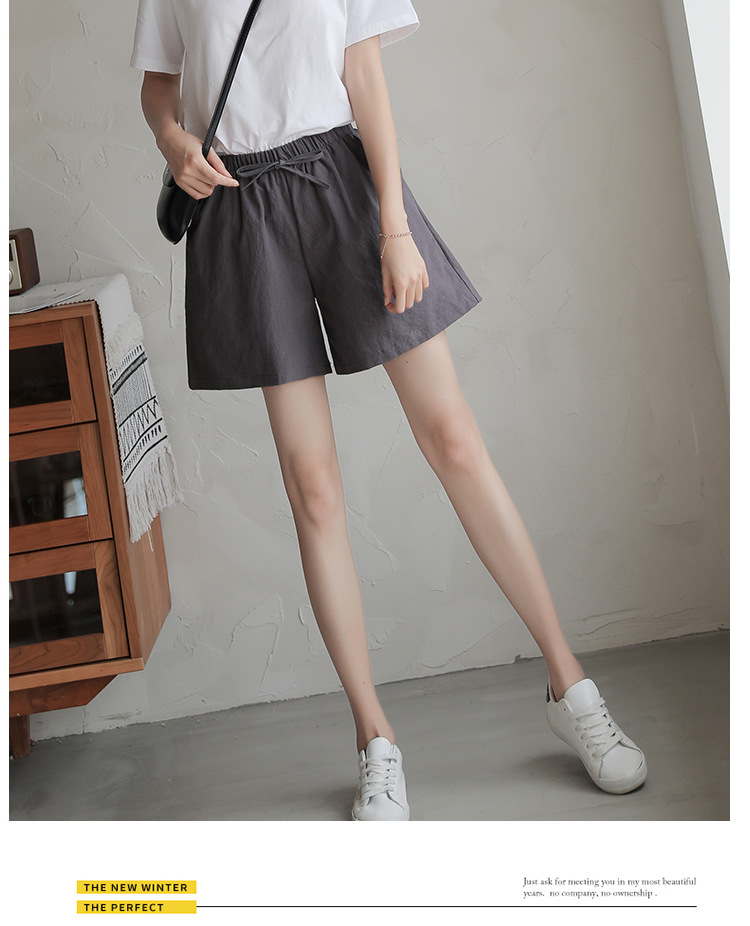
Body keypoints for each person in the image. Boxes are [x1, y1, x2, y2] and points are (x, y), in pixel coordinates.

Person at [131, 0, 647, 821]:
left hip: (346, 189)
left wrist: (395, 227)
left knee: (453, 438)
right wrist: (172, 141)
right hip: (242, 206)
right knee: (313, 488)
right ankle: (374, 738)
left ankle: (570, 685)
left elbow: (364, 77)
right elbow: (160, 84)